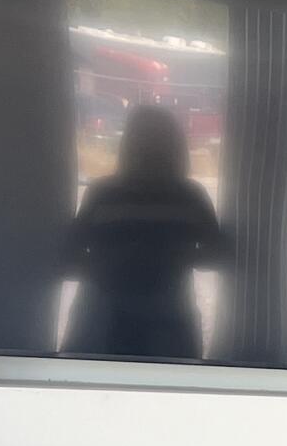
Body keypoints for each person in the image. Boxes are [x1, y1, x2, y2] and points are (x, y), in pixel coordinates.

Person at [62, 105, 226, 359]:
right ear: (177, 146)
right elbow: (217, 255)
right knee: (167, 390)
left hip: (104, 316)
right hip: (165, 317)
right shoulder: (190, 196)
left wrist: (111, 262)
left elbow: (70, 257)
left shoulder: (103, 193)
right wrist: (172, 257)